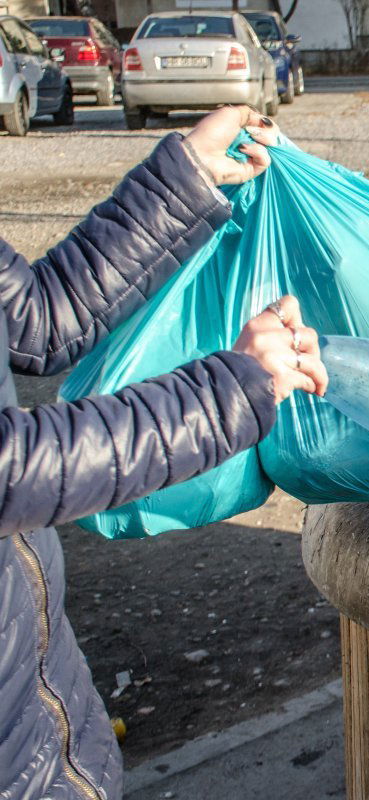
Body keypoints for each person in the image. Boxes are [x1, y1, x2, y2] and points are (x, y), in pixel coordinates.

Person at [0, 105, 328, 799]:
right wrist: (230, 392)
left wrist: (184, 179)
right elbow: (10, 471)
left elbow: (37, 319)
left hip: (42, 701)